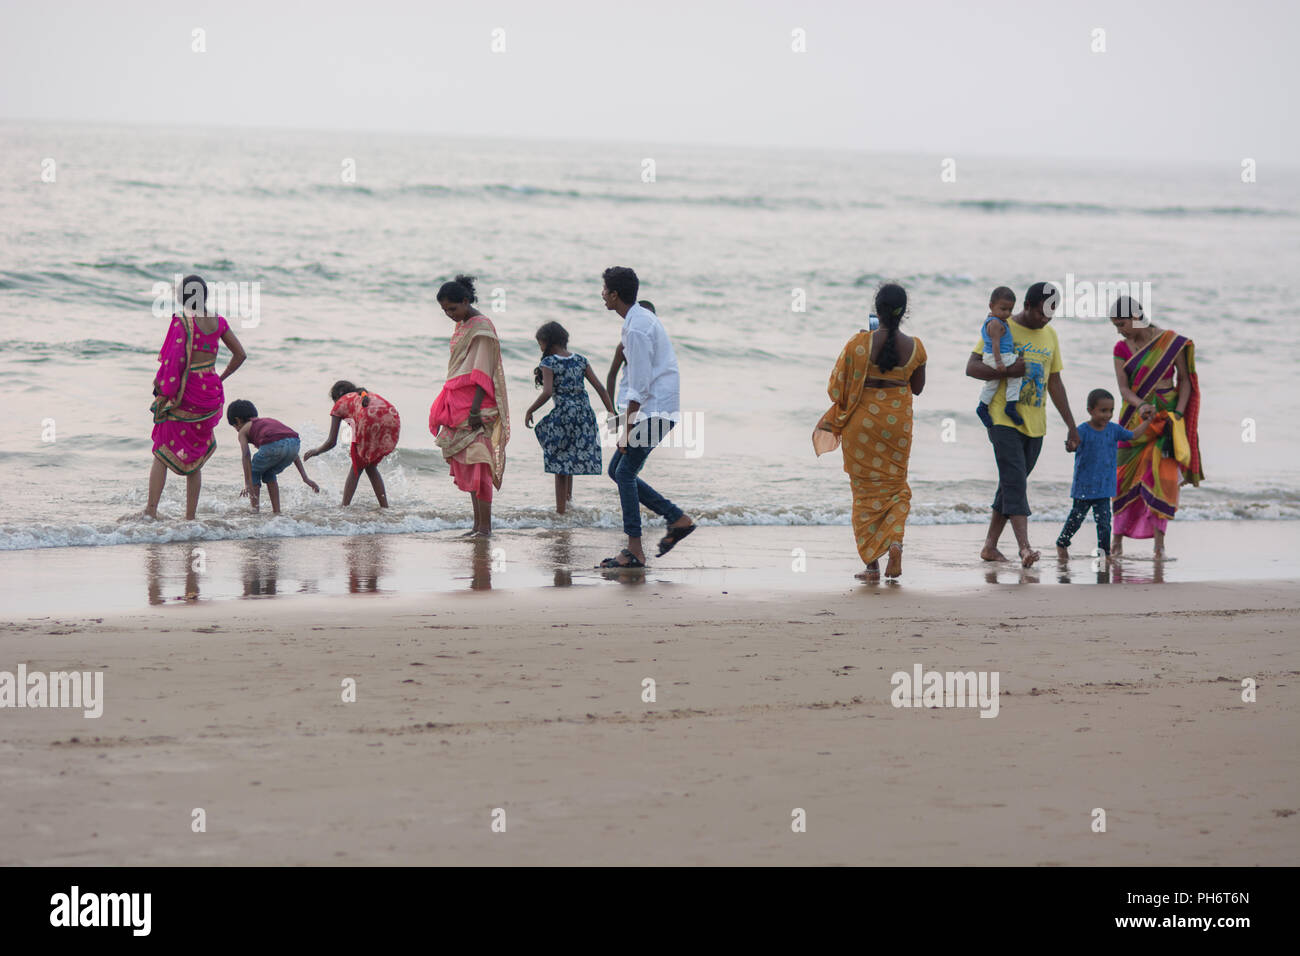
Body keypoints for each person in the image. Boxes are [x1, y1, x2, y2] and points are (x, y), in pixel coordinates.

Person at [814, 283, 927, 580]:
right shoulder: (916, 346)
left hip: (861, 426)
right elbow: (917, 388)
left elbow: (835, 388)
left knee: (864, 495)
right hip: (897, 426)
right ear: (904, 312)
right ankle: (895, 542)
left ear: (877, 310)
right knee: (896, 488)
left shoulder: (858, 344)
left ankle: (872, 566)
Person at [965, 281, 1080, 567]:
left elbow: (1054, 382)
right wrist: (1007, 372)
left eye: (1051, 314)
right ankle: (1025, 548)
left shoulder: (1051, 336)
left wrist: (1071, 425)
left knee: (1010, 484)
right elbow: (972, 367)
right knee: (1015, 482)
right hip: (1002, 418)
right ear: (1026, 306)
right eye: (1041, 314)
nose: (1046, 319)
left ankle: (990, 547)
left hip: (1036, 424)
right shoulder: (1001, 326)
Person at [597, 267, 694, 568]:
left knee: (624, 474)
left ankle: (634, 550)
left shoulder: (637, 327)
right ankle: (676, 518)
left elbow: (639, 386)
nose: (602, 295)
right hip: (657, 409)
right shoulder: (638, 320)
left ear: (615, 294)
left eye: (604, 290)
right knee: (617, 471)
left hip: (654, 411)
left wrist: (625, 430)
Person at [144, 274, 246, 519]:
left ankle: (150, 511)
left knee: (161, 449)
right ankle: (190, 517)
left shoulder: (182, 321)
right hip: (209, 393)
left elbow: (173, 362)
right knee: (196, 455)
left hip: (185, 394)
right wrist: (219, 378)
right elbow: (240, 355)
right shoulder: (219, 322)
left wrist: (162, 391)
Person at [1109, 296, 1204, 558]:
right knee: (1122, 479)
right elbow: (1124, 389)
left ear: (1137, 317)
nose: (1119, 330)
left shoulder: (1171, 343)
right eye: (1115, 325)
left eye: (1122, 323)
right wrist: (1140, 405)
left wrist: (1178, 415)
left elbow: (1184, 381)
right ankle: (1116, 541)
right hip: (1133, 419)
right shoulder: (1121, 348)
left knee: (1163, 477)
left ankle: (1159, 545)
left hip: (1166, 418)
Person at [428, 275, 510, 536]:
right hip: (459, 403)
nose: (449, 314)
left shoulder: (482, 327)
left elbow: (481, 372)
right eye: (444, 311)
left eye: (452, 308)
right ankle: (477, 525)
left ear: (466, 301)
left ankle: (485, 527)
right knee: (470, 466)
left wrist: (475, 410)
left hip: (478, 407)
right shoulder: (464, 325)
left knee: (480, 464)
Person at [524, 321, 617, 514]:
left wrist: (530, 410)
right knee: (570, 459)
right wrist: (611, 411)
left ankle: (560, 513)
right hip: (584, 414)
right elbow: (600, 387)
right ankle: (568, 503)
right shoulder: (581, 360)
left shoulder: (548, 362)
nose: (540, 347)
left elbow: (547, 392)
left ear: (547, 341)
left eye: (540, 342)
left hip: (564, 415)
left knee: (559, 463)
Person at [1055, 388, 1153, 563]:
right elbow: (1072, 445)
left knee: (1104, 523)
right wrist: (1070, 446)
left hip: (1104, 487)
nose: (1107, 414)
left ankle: (1105, 554)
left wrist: (1147, 421)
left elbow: (1133, 435)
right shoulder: (1082, 430)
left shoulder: (1114, 430)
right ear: (1090, 410)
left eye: (1111, 410)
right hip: (1084, 486)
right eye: (1103, 410)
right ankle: (1062, 543)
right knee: (1076, 519)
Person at [304, 381, 401, 507]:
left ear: (337, 395)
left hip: (369, 420)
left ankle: (344, 506)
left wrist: (317, 451)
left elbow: (331, 441)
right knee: (370, 467)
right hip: (392, 419)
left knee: (357, 466)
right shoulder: (364, 396)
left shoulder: (340, 403)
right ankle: (384, 507)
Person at [227, 399, 319, 513]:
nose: (236, 430)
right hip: (295, 444)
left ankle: (255, 511)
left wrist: (248, 483)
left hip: (273, 445)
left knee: (254, 471)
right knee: (269, 472)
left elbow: (246, 455)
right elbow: (290, 449)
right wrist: (305, 478)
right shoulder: (267, 423)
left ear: (238, 420)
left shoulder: (243, 430)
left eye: (234, 426)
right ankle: (277, 511)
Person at [975, 286, 1022, 427]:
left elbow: (1006, 316)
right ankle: (1010, 406)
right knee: (1018, 372)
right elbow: (995, 344)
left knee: (992, 384)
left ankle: (982, 407)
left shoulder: (994, 318)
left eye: (1010, 310)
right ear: (991, 306)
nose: (1007, 313)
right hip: (999, 355)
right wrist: (999, 362)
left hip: (991, 357)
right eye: (1003, 309)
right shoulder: (995, 323)